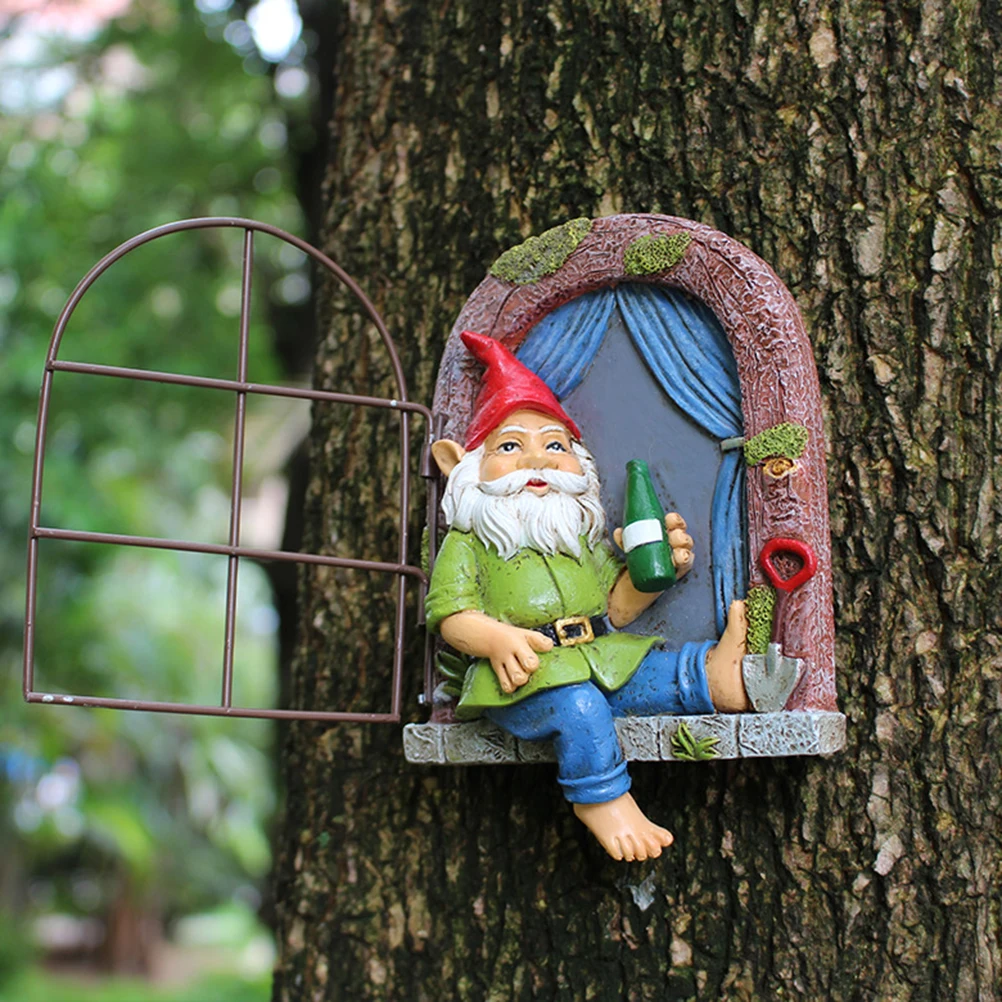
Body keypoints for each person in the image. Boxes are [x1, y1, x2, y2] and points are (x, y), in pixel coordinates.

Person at [426, 330, 752, 861]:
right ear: (461, 465)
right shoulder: (470, 543)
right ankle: (602, 798)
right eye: (510, 446)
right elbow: (449, 614)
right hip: (524, 685)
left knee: (652, 671)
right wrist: (495, 638)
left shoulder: (576, 538)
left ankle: (716, 678)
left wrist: (654, 575)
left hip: (595, 656)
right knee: (579, 707)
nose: (538, 460)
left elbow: (616, 609)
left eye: (555, 445)